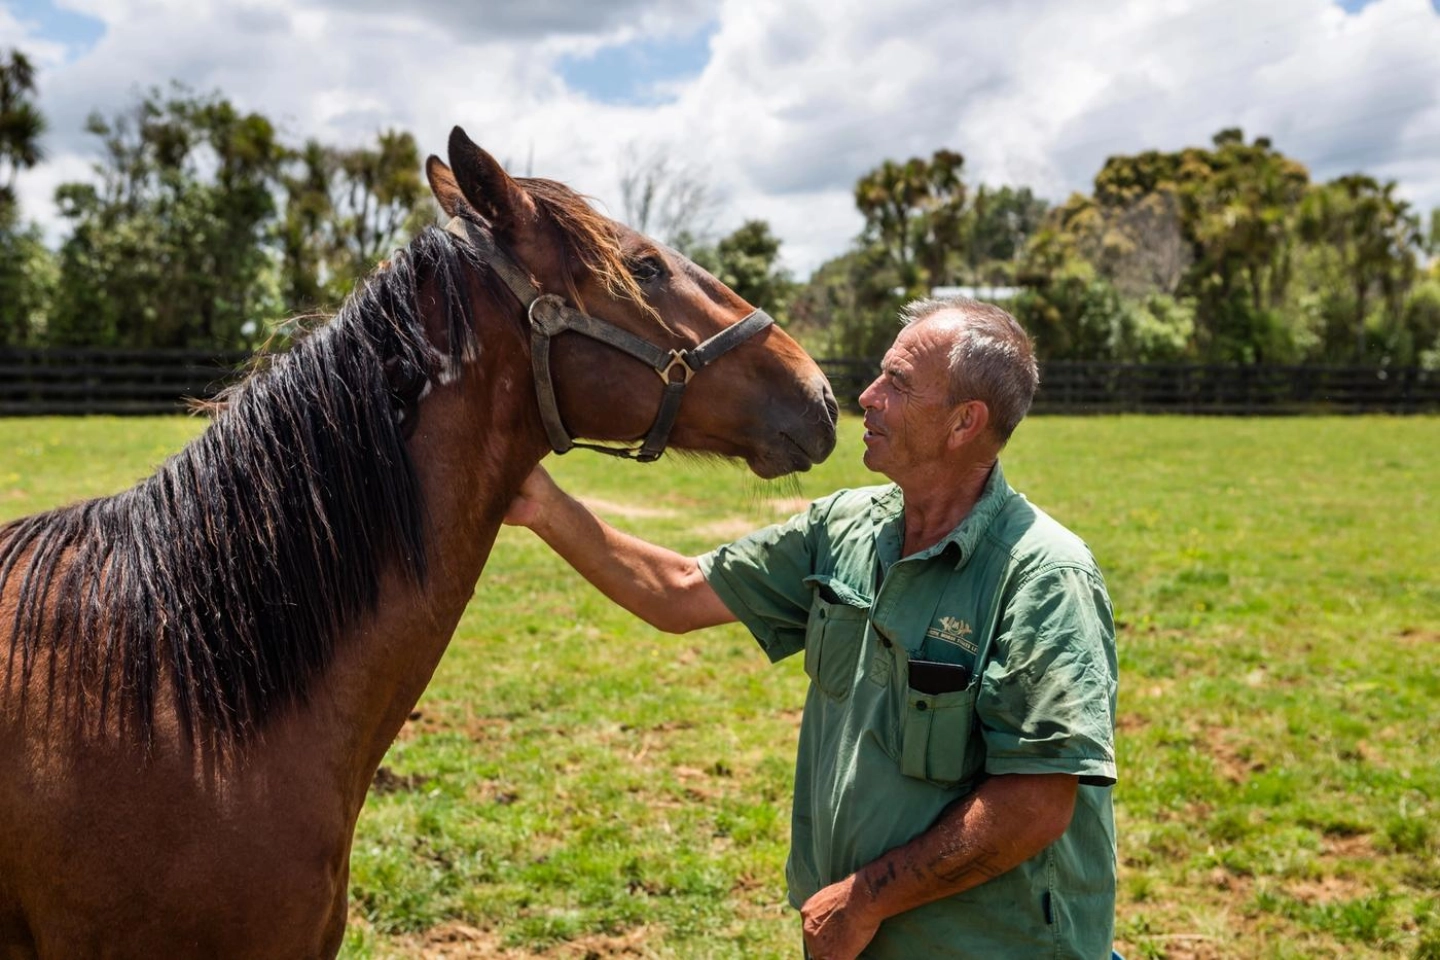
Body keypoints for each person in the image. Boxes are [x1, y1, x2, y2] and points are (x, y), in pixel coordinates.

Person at [504, 296, 1118, 960]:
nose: (867, 396)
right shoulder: (845, 528)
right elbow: (677, 594)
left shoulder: (1043, 577)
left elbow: (1036, 803)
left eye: (898, 384)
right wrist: (545, 507)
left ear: (966, 422)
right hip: (858, 940)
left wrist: (865, 900)